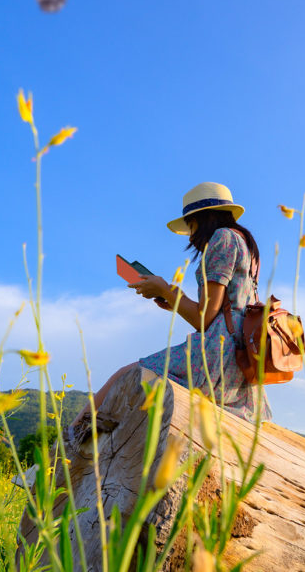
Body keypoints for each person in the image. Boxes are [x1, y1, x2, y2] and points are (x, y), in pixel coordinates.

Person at [78, 182, 273, 434]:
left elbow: (205, 320)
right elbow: (223, 311)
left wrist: (164, 290)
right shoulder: (244, 242)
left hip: (219, 355)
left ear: (202, 218)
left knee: (125, 374)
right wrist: (173, 300)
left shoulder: (222, 238)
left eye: (190, 226)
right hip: (240, 356)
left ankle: (68, 440)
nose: (191, 236)